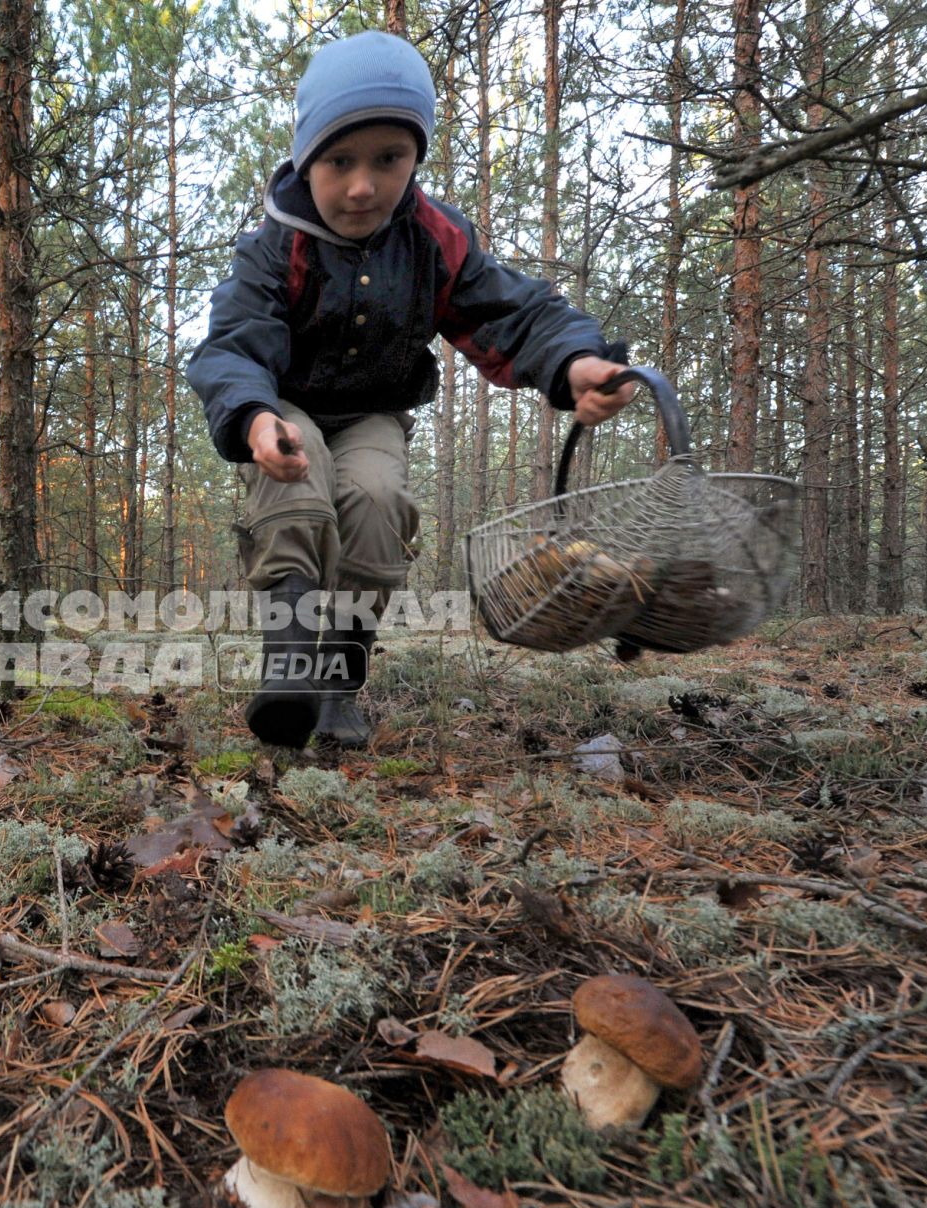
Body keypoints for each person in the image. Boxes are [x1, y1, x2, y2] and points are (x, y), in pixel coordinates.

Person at [187, 29, 637, 750]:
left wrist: (575, 362)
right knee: (297, 495)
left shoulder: (434, 239)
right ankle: (290, 670)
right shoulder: (277, 243)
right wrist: (252, 417)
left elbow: (513, 313)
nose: (363, 185)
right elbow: (235, 341)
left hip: (371, 412)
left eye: (388, 159)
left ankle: (339, 686)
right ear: (308, 159)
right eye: (340, 161)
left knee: (376, 504)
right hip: (284, 403)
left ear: (415, 158)